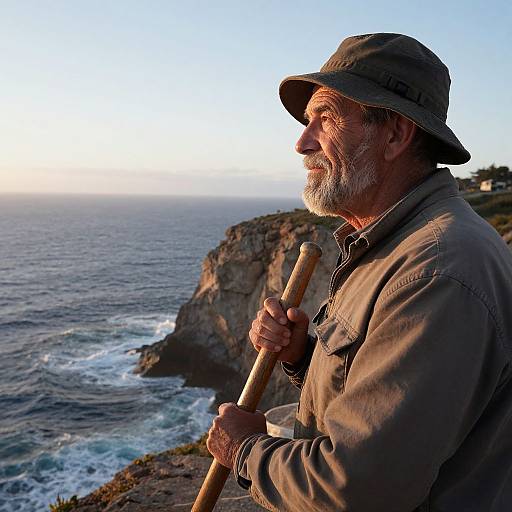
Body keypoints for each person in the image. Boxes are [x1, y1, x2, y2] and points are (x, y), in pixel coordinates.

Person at [206, 33, 512, 511]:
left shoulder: (436, 270)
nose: (302, 142)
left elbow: (357, 489)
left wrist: (244, 449)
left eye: (324, 119)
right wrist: (301, 356)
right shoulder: (395, 246)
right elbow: (386, 396)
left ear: (394, 134)